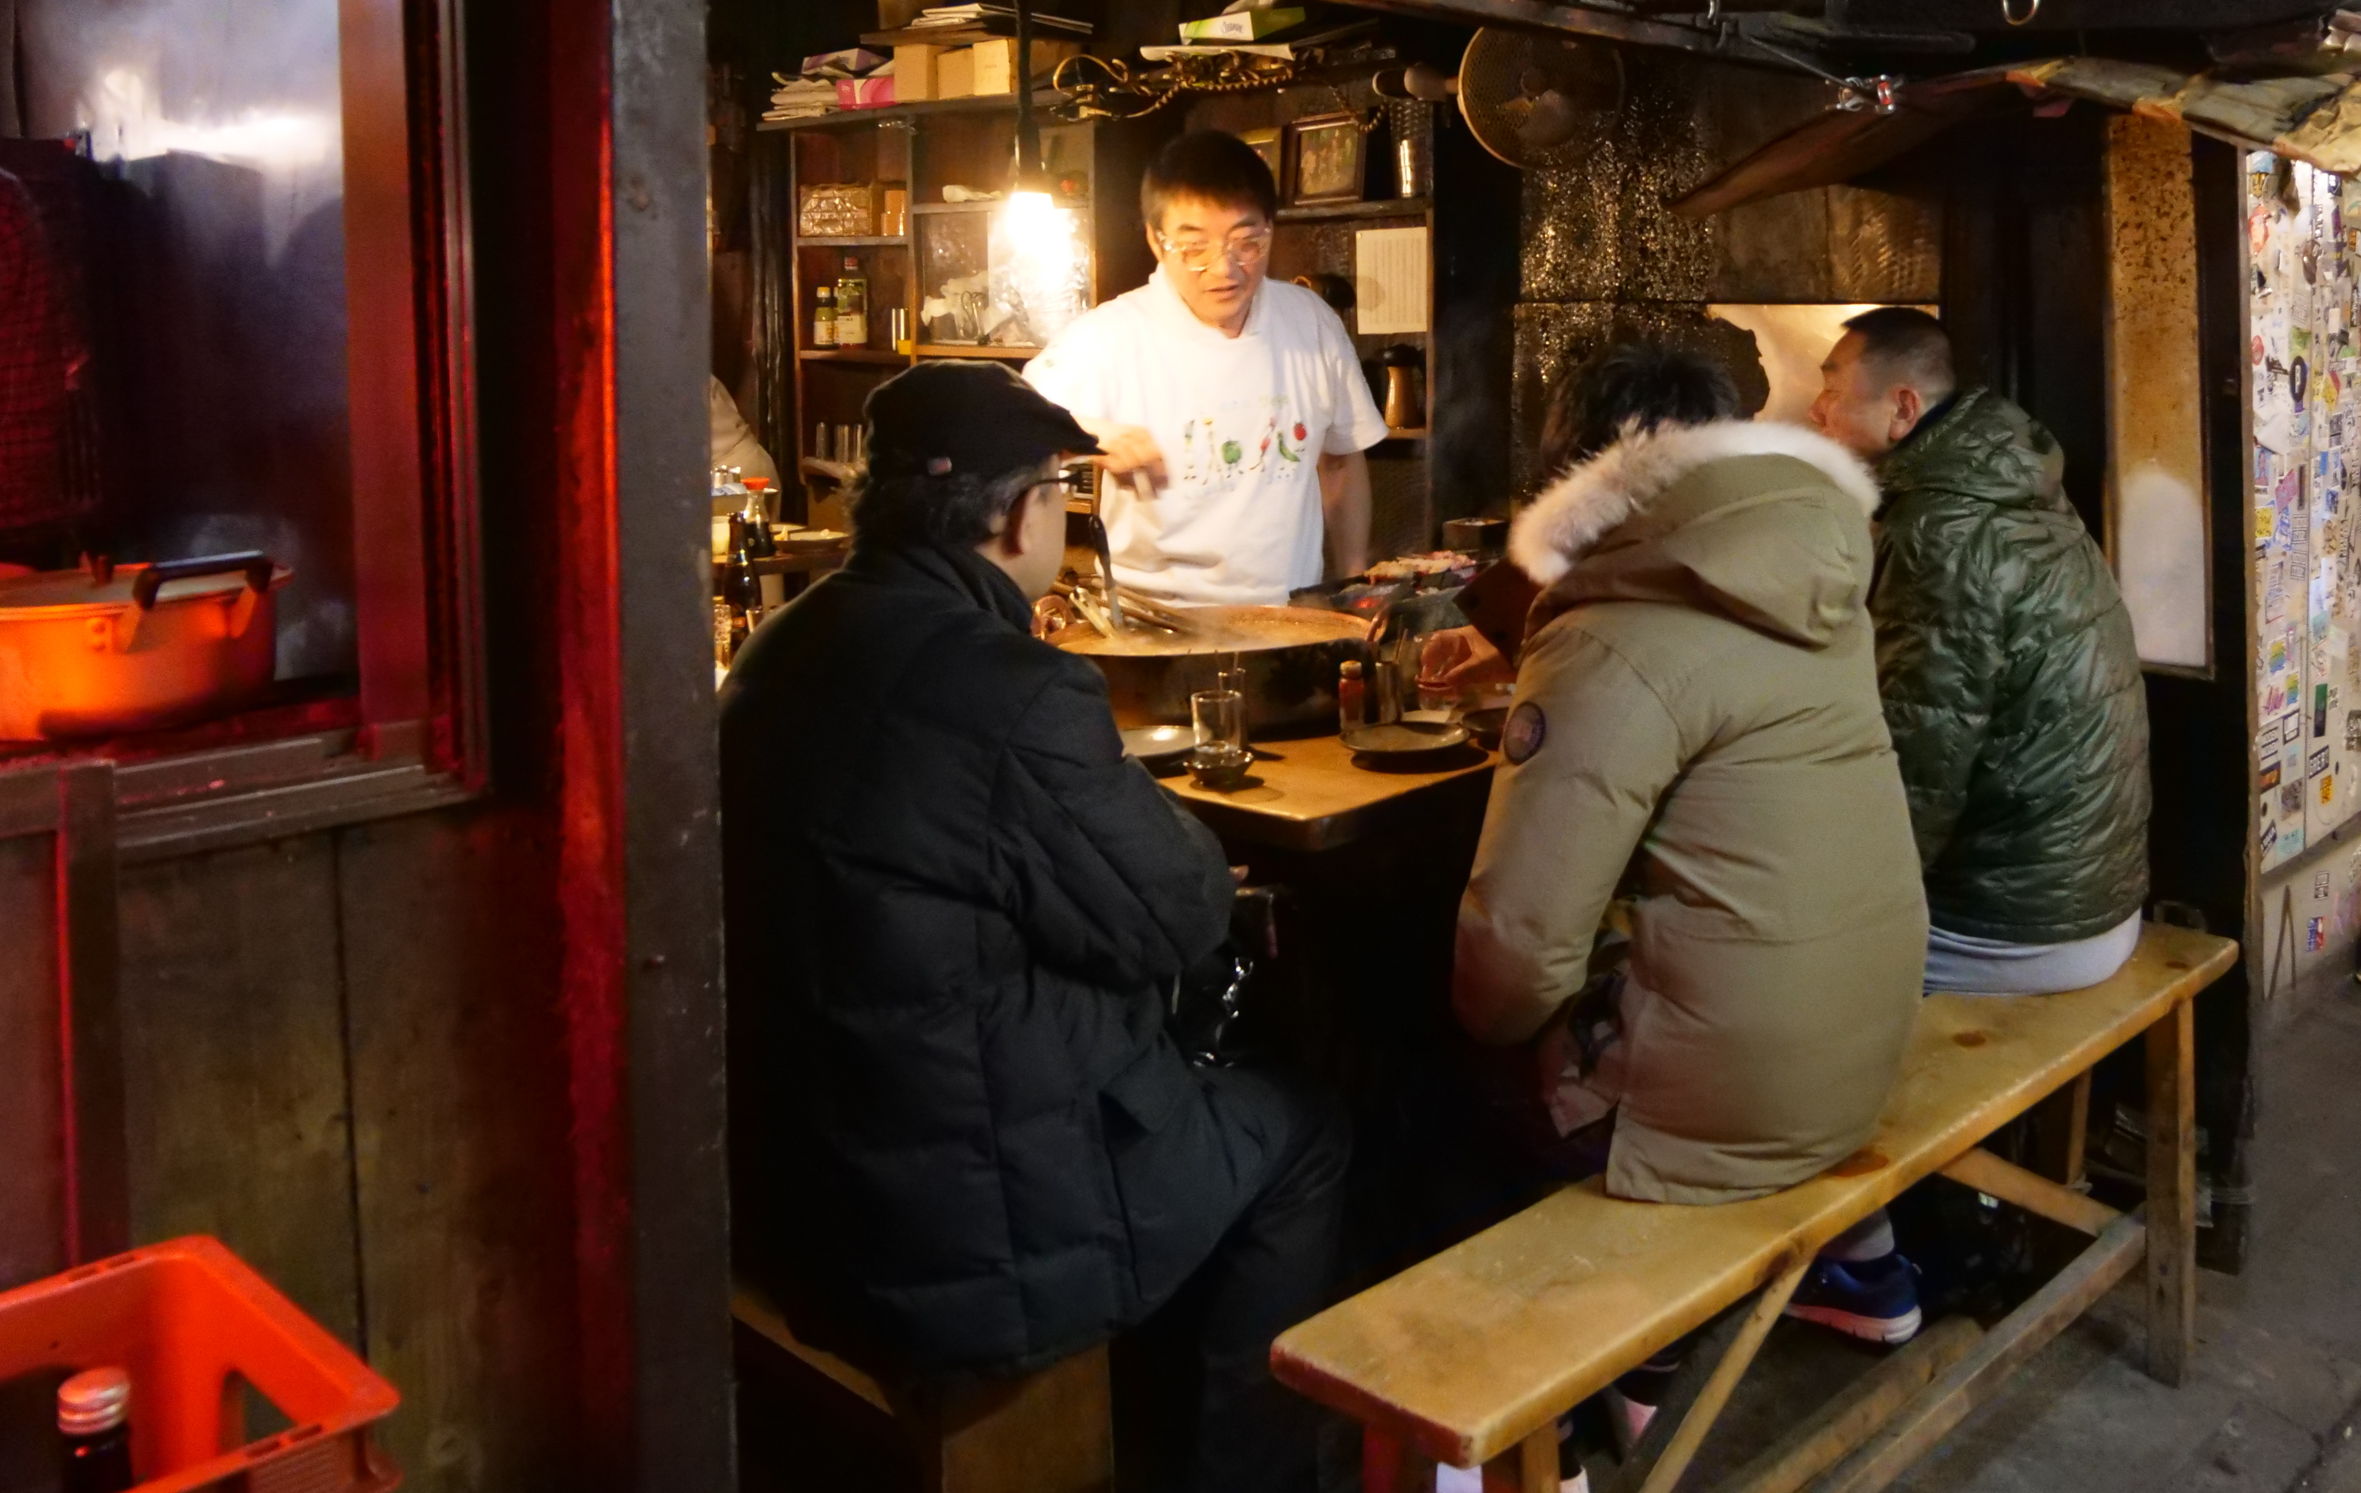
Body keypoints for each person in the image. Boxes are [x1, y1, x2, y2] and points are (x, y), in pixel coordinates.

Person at [719, 362, 1347, 1493]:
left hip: (796, 1178)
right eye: (1062, 498)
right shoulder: (1012, 687)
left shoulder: (783, 644)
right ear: (1022, 512)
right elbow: (1181, 912)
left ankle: (1156, 1388)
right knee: (1301, 1128)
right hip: (958, 1233)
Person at [1453, 338, 1932, 1345]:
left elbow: (1513, 965)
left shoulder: (1608, 637)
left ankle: (1578, 1387)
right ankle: (1859, 1259)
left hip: (1730, 1104)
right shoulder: (1814, 577)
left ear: (1582, 474)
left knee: (1449, 1081)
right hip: (1862, 1049)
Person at [1810, 307, 2151, 995]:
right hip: (2095, 897)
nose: (1817, 409)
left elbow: (1915, 767)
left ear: (1904, 407)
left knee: (1769, 957)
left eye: (1834, 385)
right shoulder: (2008, 484)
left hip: (2019, 927)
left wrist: (1829, 901)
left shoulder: (1940, 526)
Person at [1025, 129, 1382, 605]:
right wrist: (1090, 434)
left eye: (1246, 242)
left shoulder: (1310, 321)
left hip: (1290, 618)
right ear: (1156, 240)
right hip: (1155, 626)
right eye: (1194, 249)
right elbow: (1008, 434)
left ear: (1270, 229)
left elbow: (1338, 462)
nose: (1224, 269)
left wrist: (1351, 584)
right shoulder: (1108, 337)